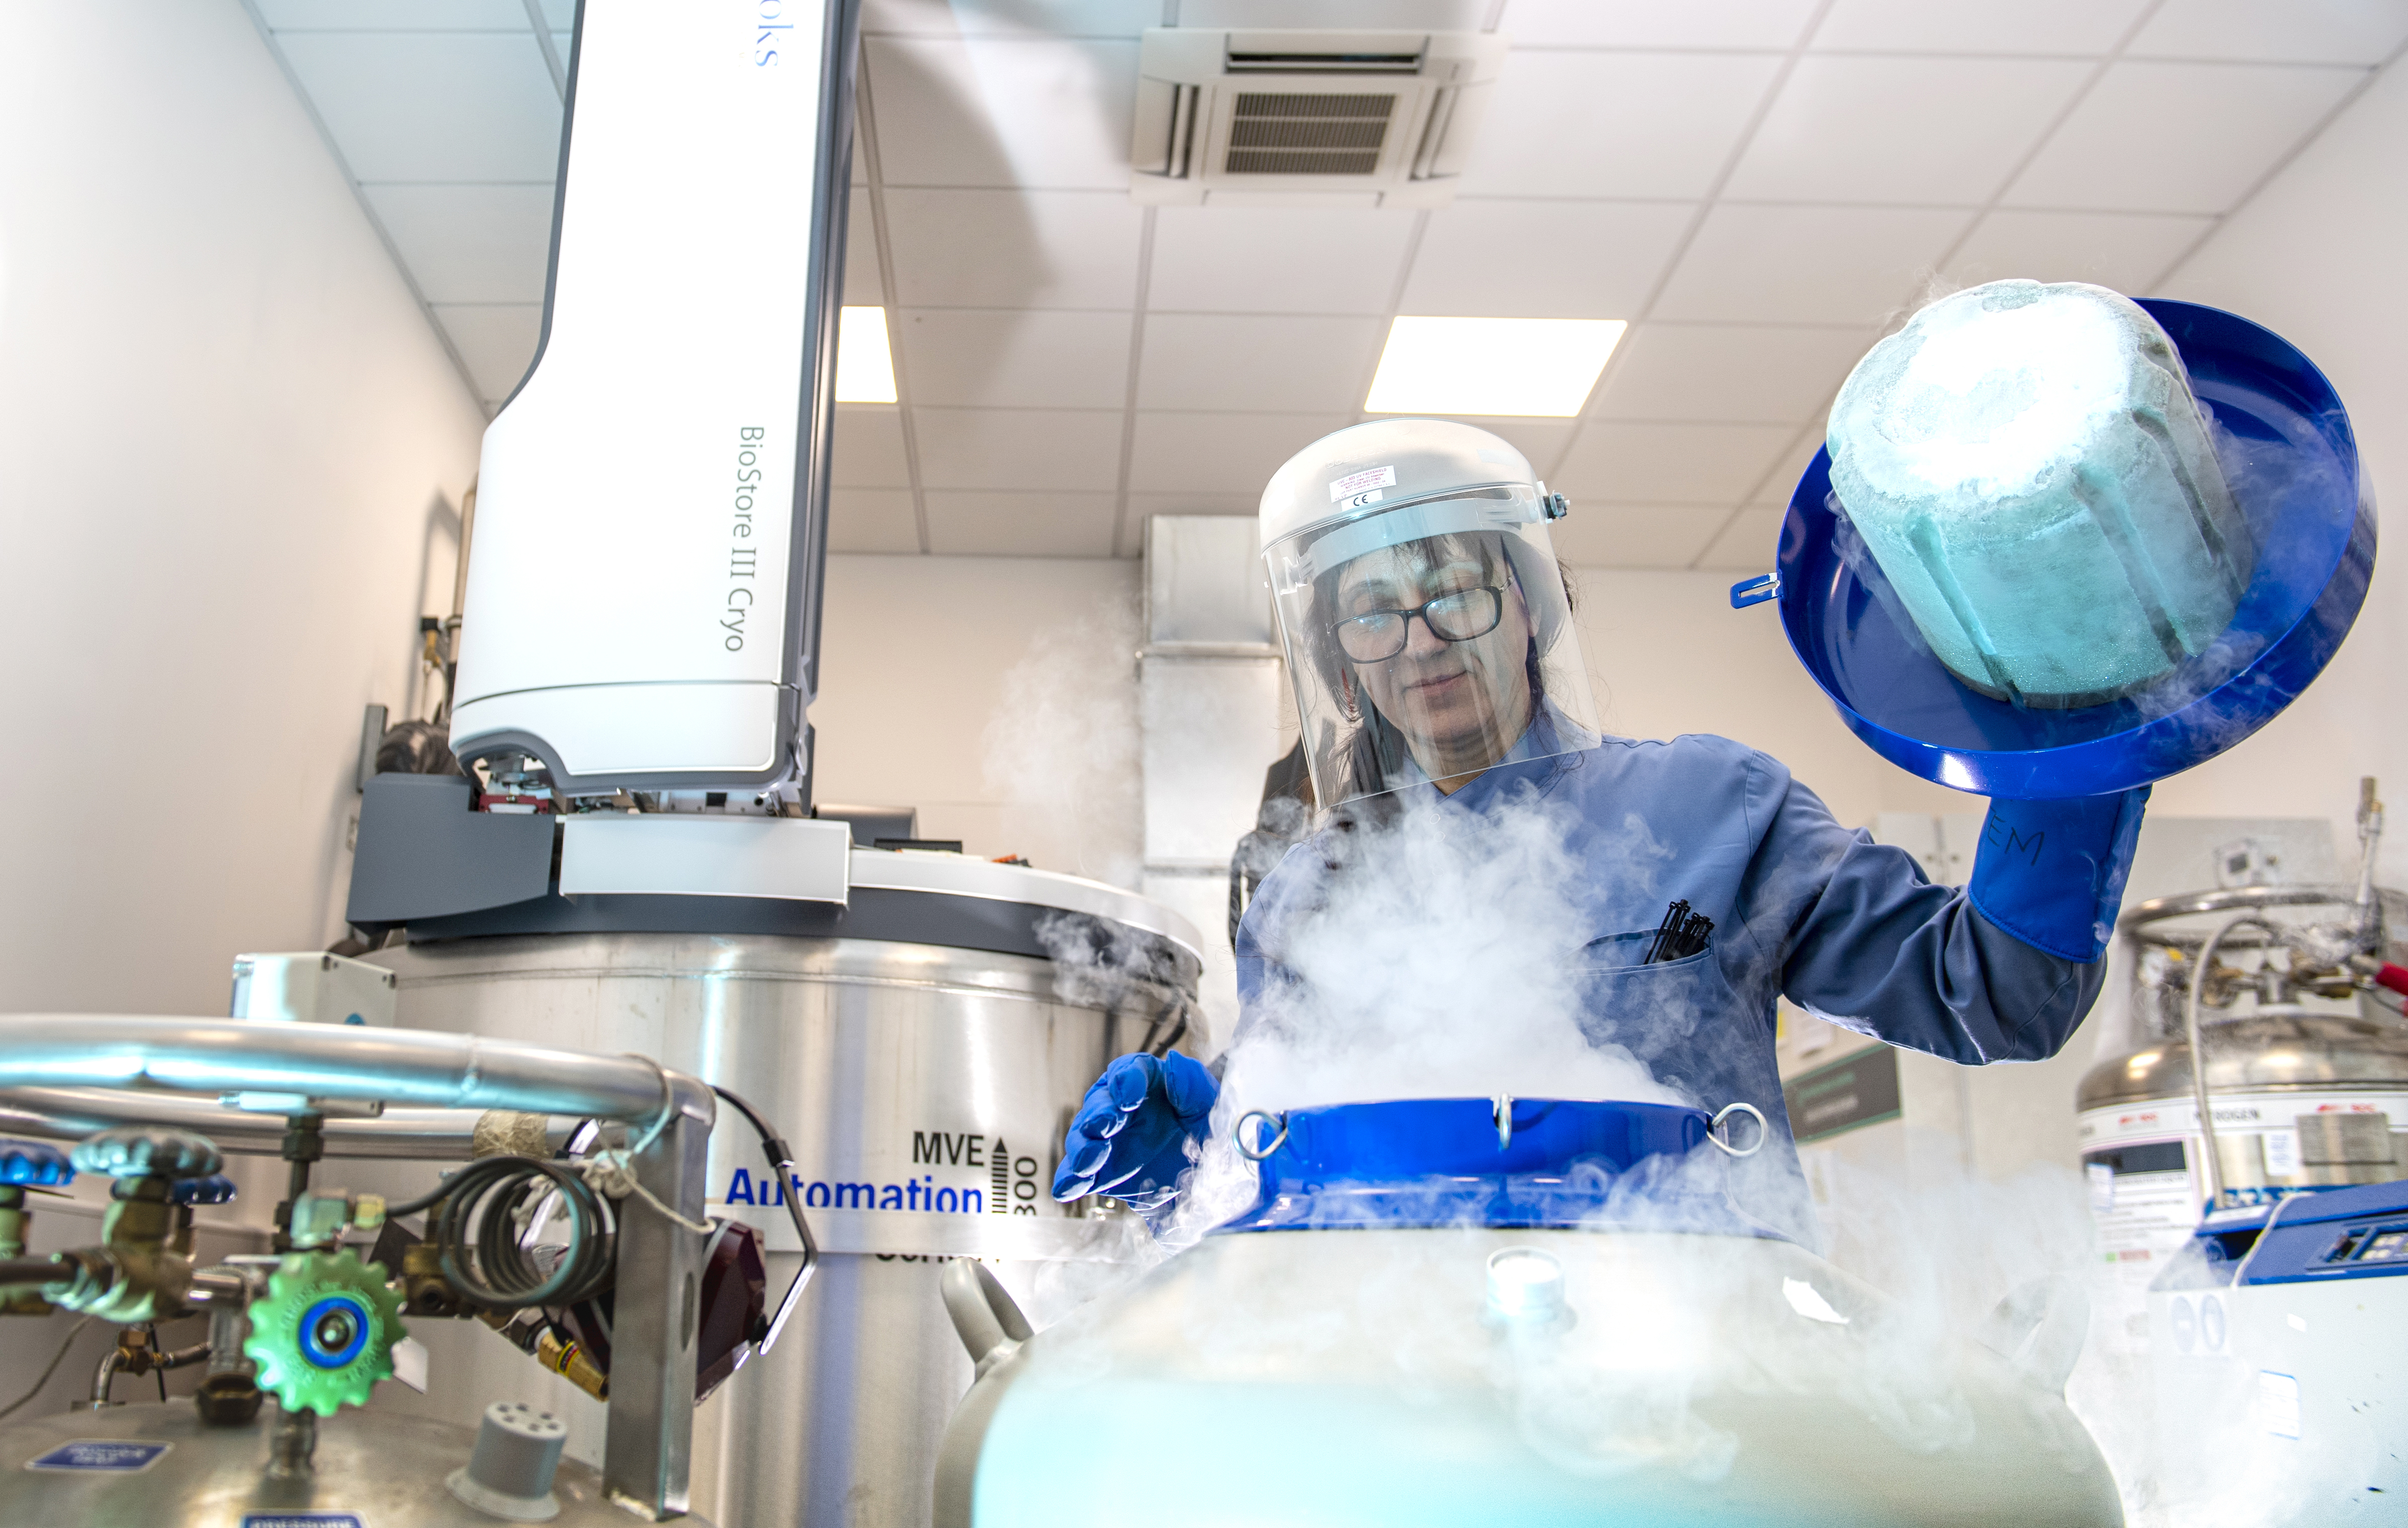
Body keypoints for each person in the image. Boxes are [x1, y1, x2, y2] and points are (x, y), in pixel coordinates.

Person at [1052, 419, 2146, 1225]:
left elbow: (1997, 995)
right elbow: (1280, 1171)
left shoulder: (1713, 808)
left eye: (1455, 592)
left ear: (1529, 603)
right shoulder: (1307, 888)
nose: (1422, 641)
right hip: (1383, 1378)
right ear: (1340, 662)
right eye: (1372, 614)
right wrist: (1193, 1153)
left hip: (1686, 1375)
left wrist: (2081, 731)